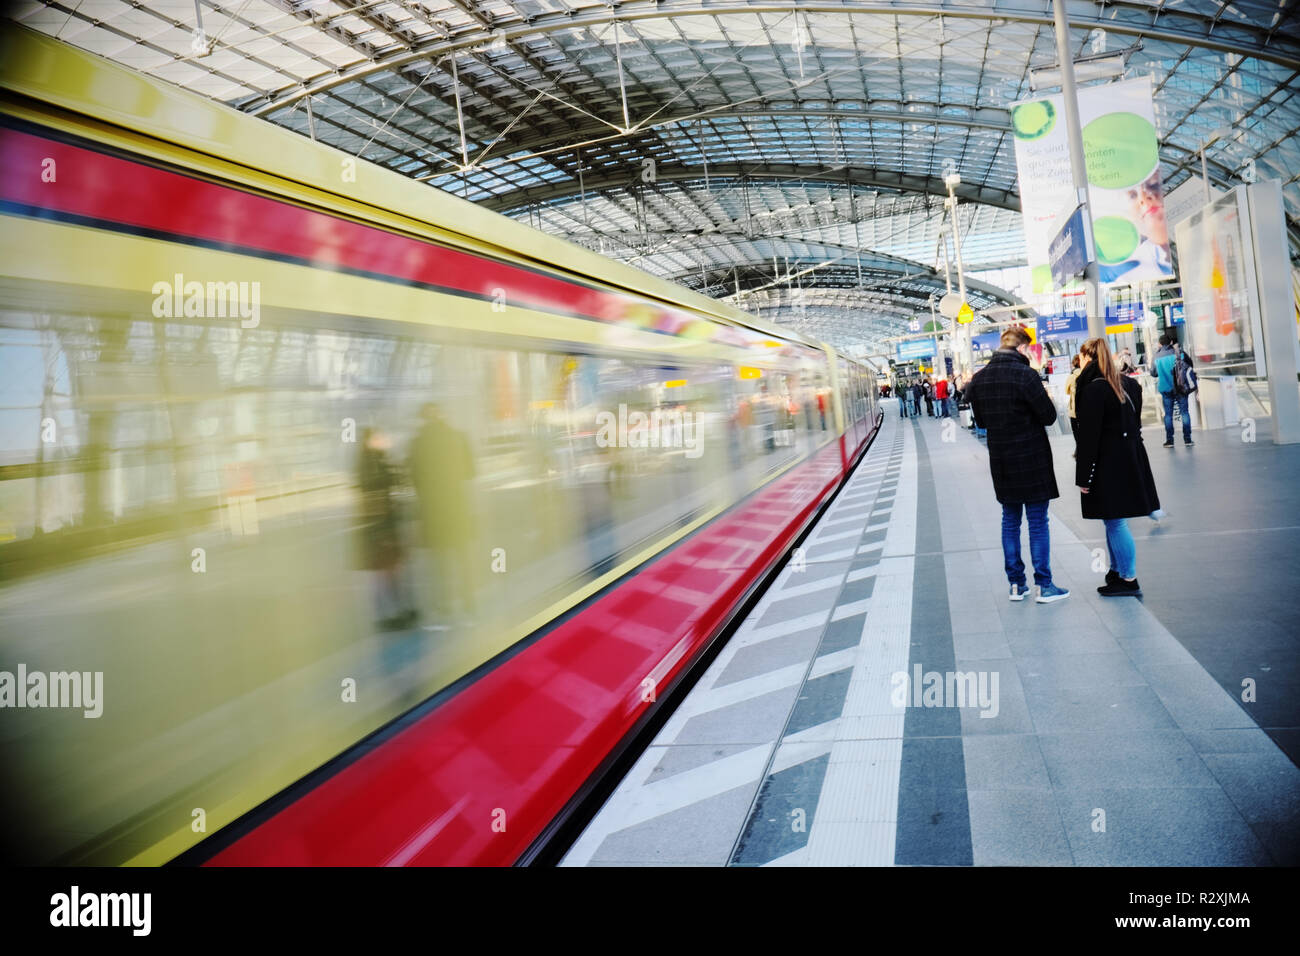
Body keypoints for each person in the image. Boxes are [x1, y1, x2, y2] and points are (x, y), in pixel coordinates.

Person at [963, 327, 1070, 604]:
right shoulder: (1026, 375)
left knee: (1010, 521)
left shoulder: (980, 379)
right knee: (1037, 521)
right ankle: (1044, 586)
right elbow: (1048, 417)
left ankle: (1016, 585)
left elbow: (982, 423)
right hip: (1032, 459)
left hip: (1002, 461)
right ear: (1022, 348)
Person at [1075, 338, 1161, 597]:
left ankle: (1128, 577)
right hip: (1129, 457)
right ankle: (1117, 571)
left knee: (1114, 521)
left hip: (1106, 462)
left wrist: (1084, 477)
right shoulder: (1129, 384)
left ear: (1087, 358)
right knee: (1113, 518)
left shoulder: (1093, 390)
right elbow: (1134, 424)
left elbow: (1089, 437)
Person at [1150, 333, 1194, 448]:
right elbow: (1190, 365)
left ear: (1160, 344)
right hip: (1180, 388)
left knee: (1168, 415)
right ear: (1170, 342)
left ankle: (1170, 441)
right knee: (1184, 412)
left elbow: (1153, 373)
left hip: (1166, 389)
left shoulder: (1156, 356)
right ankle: (1188, 439)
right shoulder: (1179, 352)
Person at [1064, 354, 1083, 453]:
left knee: (1076, 431)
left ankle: (1079, 449)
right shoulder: (1086, 374)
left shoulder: (1072, 376)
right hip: (1085, 409)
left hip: (1074, 411)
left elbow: (1066, 391)